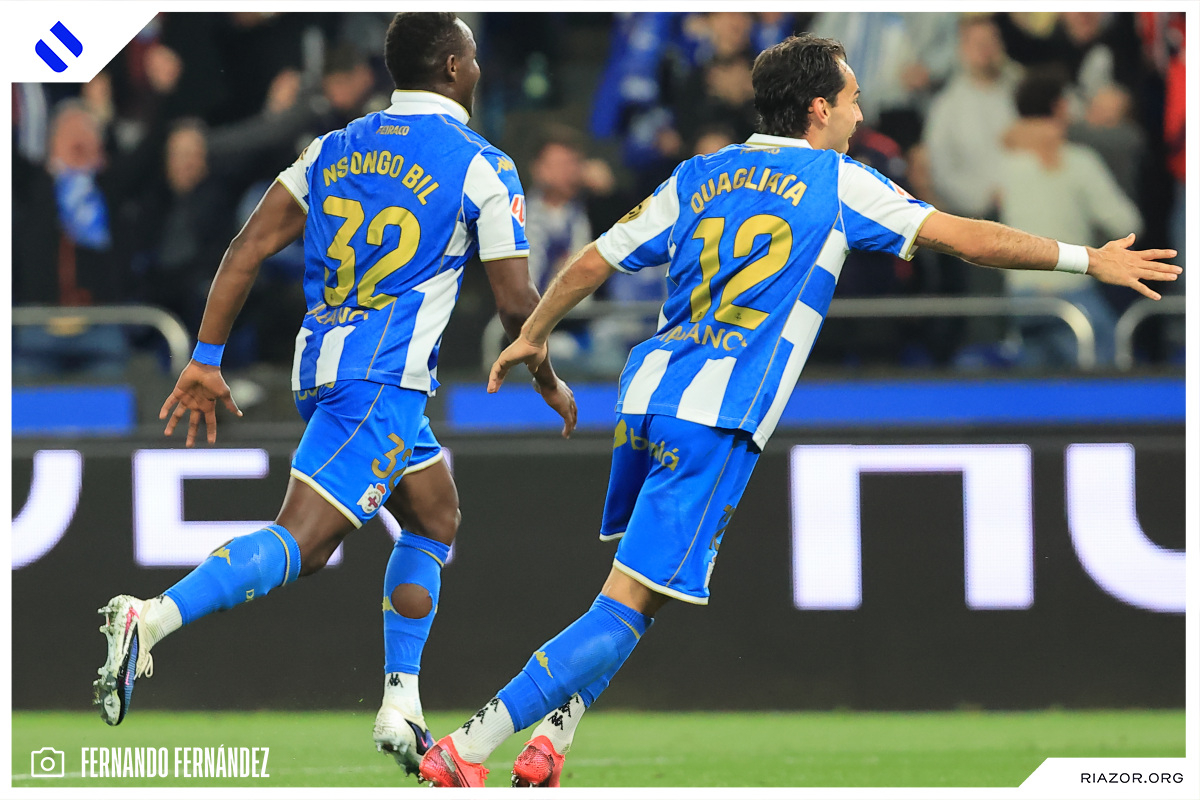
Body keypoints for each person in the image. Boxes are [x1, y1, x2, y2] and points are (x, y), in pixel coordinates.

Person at [416, 32, 1180, 788]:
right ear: (819, 109)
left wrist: (534, 332)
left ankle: (553, 737)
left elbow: (593, 261)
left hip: (646, 397)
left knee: (643, 586)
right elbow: (968, 239)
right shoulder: (839, 182)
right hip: (718, 415)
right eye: (852, 101)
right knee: (626, 603)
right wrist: (1088, 258)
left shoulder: (699, 174)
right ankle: (467, 747)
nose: (859, 115)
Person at [92, 11, 577, 781]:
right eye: (473, 56)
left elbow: (248, 245)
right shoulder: (483, 166)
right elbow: (518, 307)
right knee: (306, 542)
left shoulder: (331, 147)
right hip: (381, 381)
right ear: (454, 68)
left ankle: (402, 703)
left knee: (435, 513)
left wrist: (206, 358)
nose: (480, 67)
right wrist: (548, 378)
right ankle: (149, 619)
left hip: (328, 367)